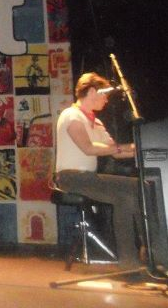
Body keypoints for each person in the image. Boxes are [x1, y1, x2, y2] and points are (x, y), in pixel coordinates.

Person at [54, 72, 142, 267]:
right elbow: (88, 147)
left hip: (87, 178)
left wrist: (140, 149)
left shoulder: (97, 122)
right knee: (137, 187)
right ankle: (146, 253)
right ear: (92, 91)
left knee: (128, 196)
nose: (106, 100)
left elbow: (116, 152)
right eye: (105, 95)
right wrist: (123, 148)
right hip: (70, 177)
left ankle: (133, 260)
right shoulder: (71, 115)